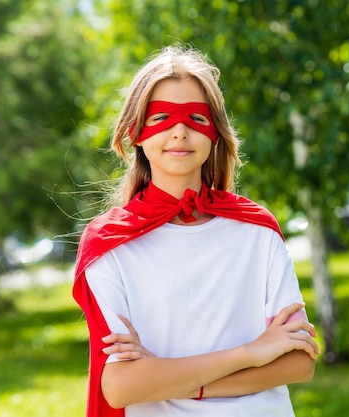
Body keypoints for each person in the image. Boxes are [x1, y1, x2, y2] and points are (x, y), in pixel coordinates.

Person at [72, 45, 319, 417]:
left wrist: (171, 378)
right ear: (136, 132)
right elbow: (122, 386)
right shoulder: (109, 243)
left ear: (215, 132)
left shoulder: (257, 231)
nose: (180, 132)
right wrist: (251, 353)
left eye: (196, 119)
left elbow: (299, 363)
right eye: (162, 118)